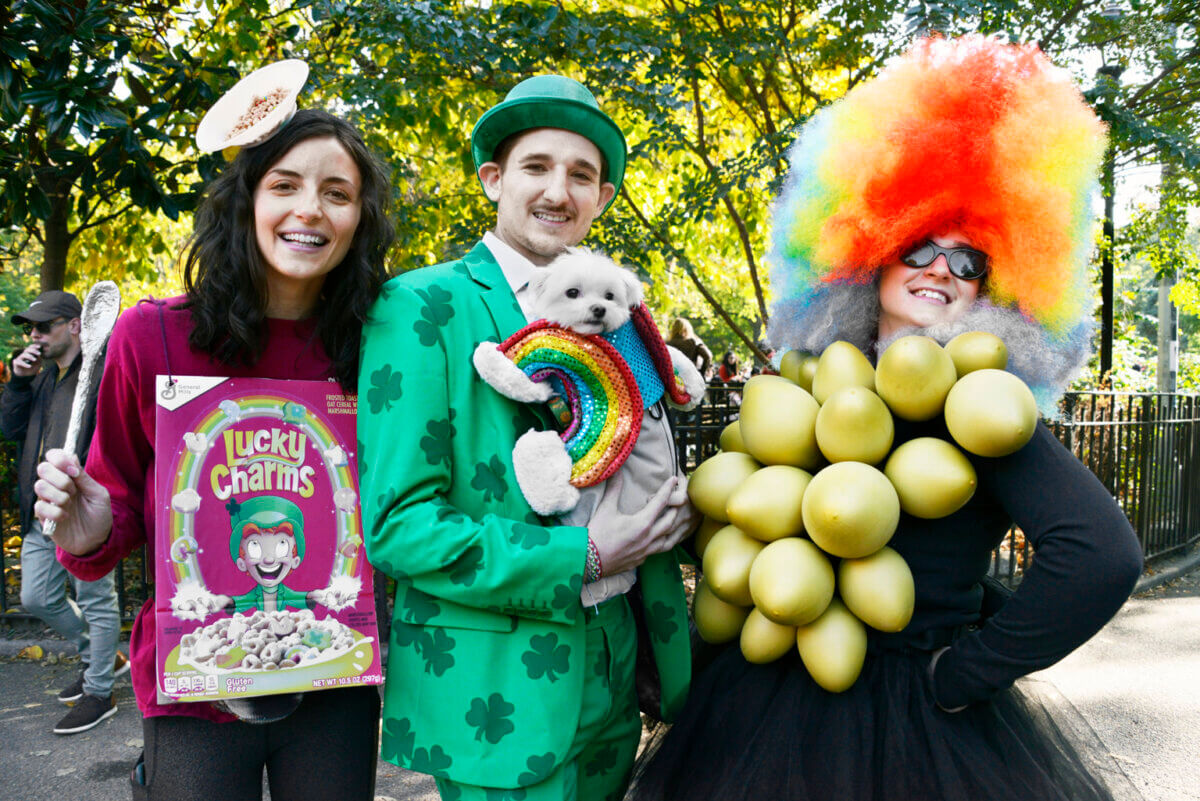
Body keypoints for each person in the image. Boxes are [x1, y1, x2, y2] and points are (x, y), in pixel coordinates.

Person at [629, 36, 1145, 801]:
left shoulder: (982, 410)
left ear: (995, 287)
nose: (942, 268)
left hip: (918, 736)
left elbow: (1102, 555)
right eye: (918, 244)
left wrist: (965, 671)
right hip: (763, 707)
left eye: (971, 260)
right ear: (865, 250)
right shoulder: (803, 387)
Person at [32, 108, 394, 800]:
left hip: (335, 681)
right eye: (285, 184)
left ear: (359, 218)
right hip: (194, 689)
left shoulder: (378, 345)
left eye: (338, 192)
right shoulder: (151, 336)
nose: (309, 209)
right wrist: (91, 528)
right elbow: (121, 512)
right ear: (249, 198)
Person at [358, 74, 697, 801]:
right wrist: (589, 554)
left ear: (602, 198)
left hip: (618, 676)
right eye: (536, 166)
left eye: (581, 175)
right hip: (497, 698)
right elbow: (397, 524)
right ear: (493, 178)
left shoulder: (622, 315)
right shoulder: (420, 305)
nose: (558, 190)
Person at [0, 289, 127, 735]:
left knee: (96, 600)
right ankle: (102, 655)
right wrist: (17, 382)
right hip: (39, 511)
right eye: (30, 328)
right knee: (37, 598)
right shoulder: (39, 378)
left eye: (42, 326)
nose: (34, 335)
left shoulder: (101, 370)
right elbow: (8, 429)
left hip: (81, 513)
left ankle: (99, 692)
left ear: (75, 325)